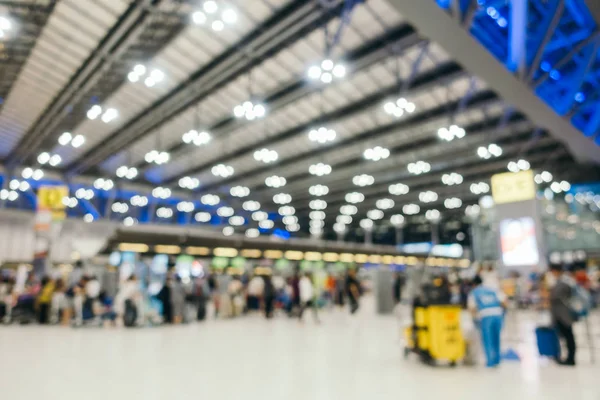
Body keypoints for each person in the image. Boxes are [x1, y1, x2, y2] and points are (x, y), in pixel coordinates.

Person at [468, 276, 506, 367]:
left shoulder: (474, 292)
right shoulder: (492, 290)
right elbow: (504, 302)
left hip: (485, 316)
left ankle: (490, 362)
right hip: (497, 314)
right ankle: (497, 360)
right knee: (496, 338)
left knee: (487, 340)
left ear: (473, 284)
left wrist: (474, 320)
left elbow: (472, 308)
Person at [549, 265, 577, 366]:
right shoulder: (561, 280)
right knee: (564, 335)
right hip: (560, 313)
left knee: (568, 335)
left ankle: (571, 358)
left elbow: (556, 296)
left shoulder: (564, 281)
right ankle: (566, 357)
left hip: (564, 313)